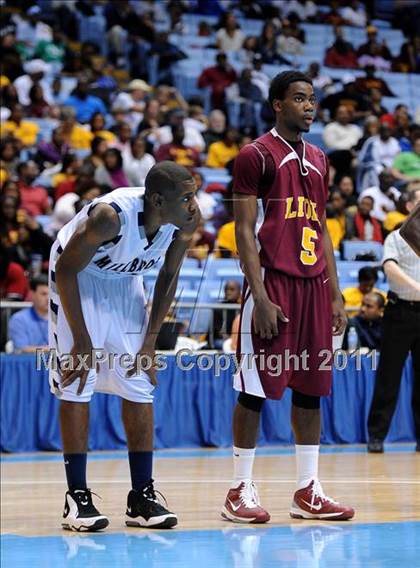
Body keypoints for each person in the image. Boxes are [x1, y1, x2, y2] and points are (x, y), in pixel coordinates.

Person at [221, 70, 354, 523]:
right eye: (299, 98)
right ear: (278, 104)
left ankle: (307, 490)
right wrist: (257, 297)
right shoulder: (254, 155)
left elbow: (321, 229)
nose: (309, 106)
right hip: (272, 284)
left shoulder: (319, 158)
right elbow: (242, 230)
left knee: (311, 388)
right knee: (254, 390)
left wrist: (335, 294)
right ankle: (239, 489)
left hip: (313, 286)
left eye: (312, 99)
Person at [49, 161, 200, 531]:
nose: (194, 205)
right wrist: (82, 340)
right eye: (186, 197)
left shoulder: (185, 221)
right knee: (77, 379)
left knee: (139, 380)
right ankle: (77, 498)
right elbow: (66, 269)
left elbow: (169, 276)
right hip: (78, 278)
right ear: (158, 200)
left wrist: (149, 343)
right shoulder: (109, 217)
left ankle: (141, 497)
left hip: (124, 280)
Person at [367, 189, 420, 453]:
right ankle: (376, 436)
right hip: (400, 313)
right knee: (389, 377)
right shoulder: (396, 236)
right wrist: (417, 288)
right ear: (409, 204)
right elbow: (390, 267)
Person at [8, 275, 49, 352]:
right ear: (32, 294)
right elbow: (22, 349)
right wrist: (52, 350)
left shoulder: (61, 320)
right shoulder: (19, 319)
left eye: (51, 295)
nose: (48, 298)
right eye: (44, 294)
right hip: (30, 363)